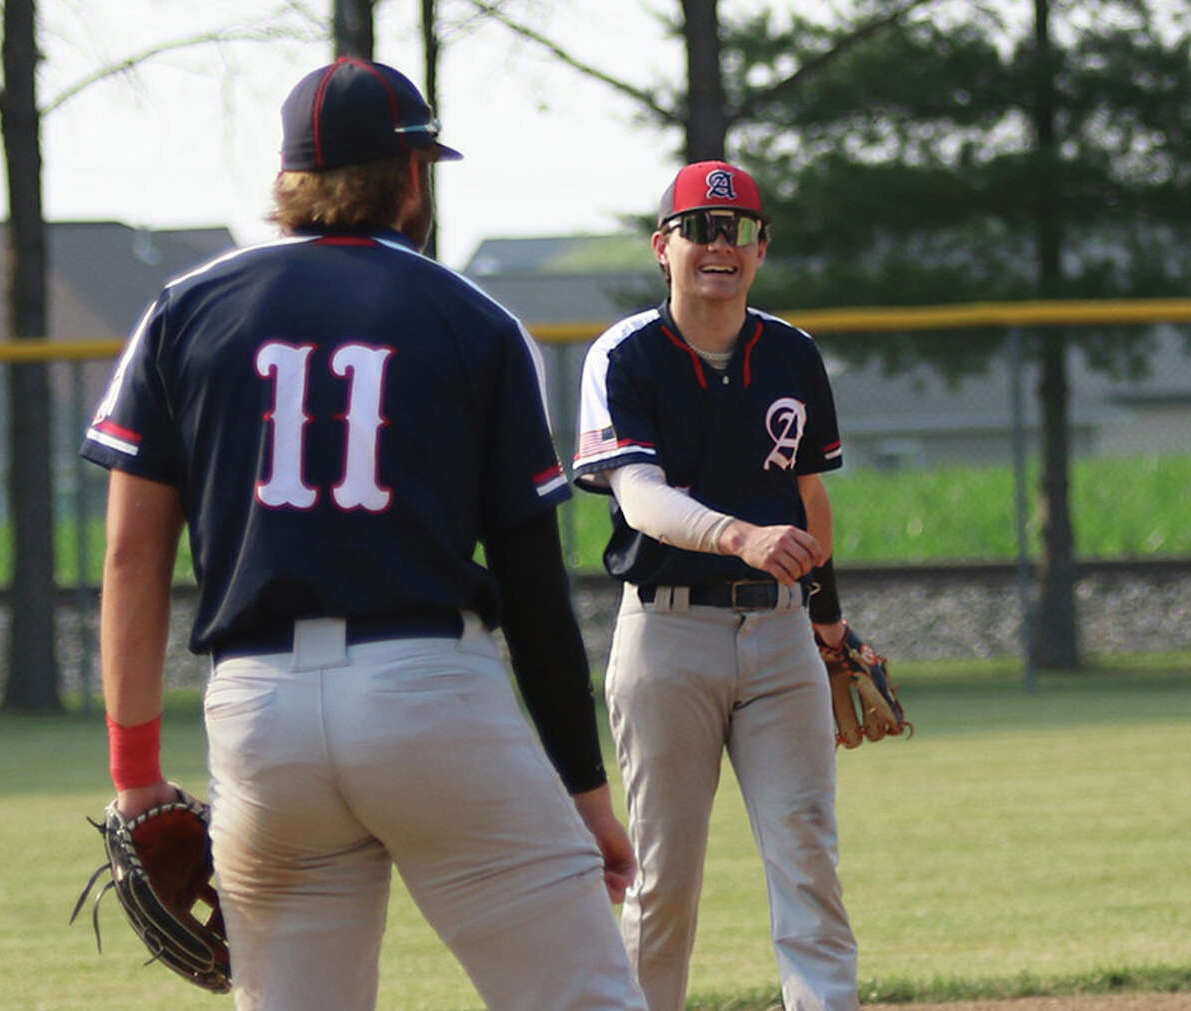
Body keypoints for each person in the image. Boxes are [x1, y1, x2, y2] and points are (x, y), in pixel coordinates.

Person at [80, 56, 646, 1011]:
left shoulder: (184, 310)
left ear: (291, 174)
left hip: (259, 720)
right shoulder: (475, 320)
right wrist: (584, 790)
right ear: (412, 177)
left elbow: (133, 556)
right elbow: (532, 584)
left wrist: (135, 773)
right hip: (428, 694)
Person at [572, 160, 860, 1011]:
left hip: (780, 636)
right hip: (668, 637)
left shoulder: (793, 354)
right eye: (699, 228)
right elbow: (641, 497)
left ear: (761, 248)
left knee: (808, 854)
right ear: (664, 247)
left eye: (735, 230)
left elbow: (810, 500)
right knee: (665, 877)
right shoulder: (625, 355)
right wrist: (740, 535)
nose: (718, 245)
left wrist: (830, 623)